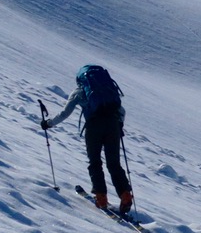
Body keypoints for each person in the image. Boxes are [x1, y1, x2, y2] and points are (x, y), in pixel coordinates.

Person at [41, 65, 133, 213]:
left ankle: (101, 198)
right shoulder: (109, 90)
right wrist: (119, 126)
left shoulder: (80, 91)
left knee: (95, 162)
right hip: (113, 125)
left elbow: (66, 113)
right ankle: (125, 195)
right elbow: (121, 111)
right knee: (114, 163)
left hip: (94, 127)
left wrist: (48, 123)